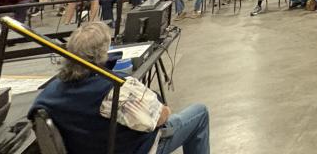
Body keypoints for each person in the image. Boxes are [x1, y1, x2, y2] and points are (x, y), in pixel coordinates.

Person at [30, 22, 210, 154]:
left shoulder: (47, 95)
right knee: (199, 113)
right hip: (131, 149)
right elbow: (159, 118)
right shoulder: (113, 87)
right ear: (102, 53)